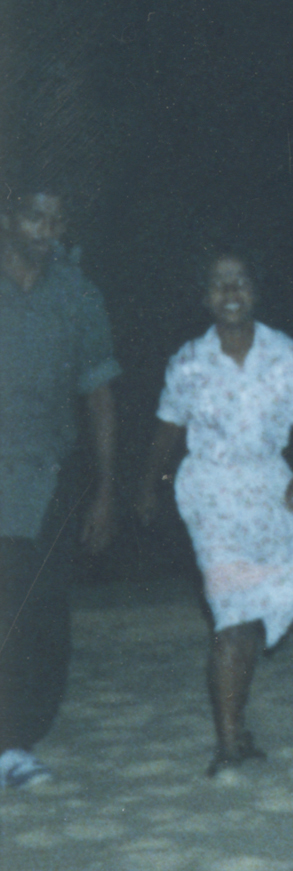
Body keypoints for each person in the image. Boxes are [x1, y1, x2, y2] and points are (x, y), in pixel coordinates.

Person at [142, 251, 293, 776]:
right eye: (219, 284)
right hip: (210, 490)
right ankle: (227, 745)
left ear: (256, 291)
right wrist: (146, 487)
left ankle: (237, 728)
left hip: (269, 486)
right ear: (204, 297)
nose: (230, 292)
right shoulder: (188, 363)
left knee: (256, 607)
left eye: (240, 282)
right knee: (231, 612)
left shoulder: (289, 357)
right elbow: (167, 430)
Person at [0, 183, 121, 792]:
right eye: (35, 218)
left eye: (57, 220)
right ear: (7, 217)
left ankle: (15, 741)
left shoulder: (77, 295)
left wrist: (105, 490)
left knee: (40, 616)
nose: (47, 231)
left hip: (44, 474)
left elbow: (99, 393)